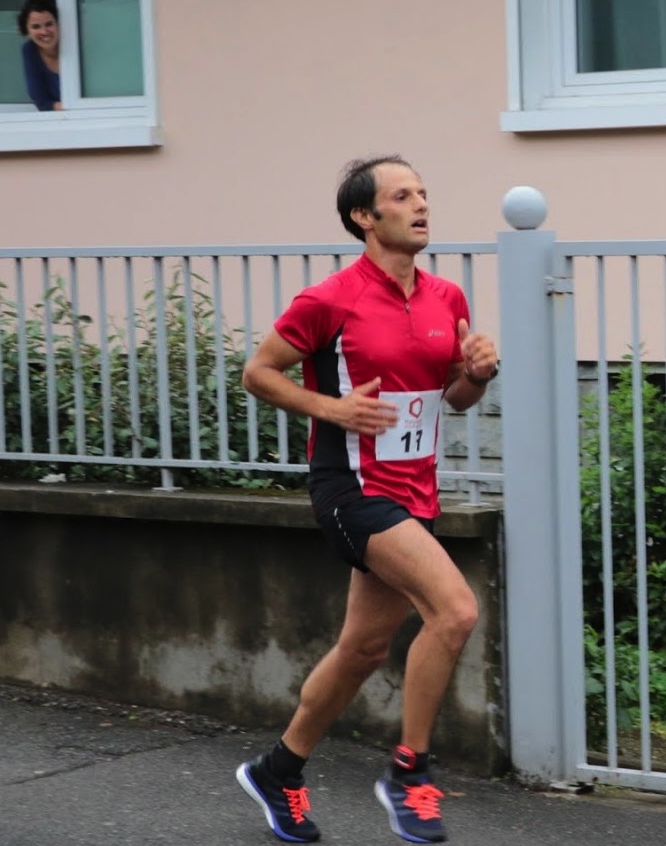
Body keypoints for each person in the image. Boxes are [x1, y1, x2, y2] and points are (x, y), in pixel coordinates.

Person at [236, 155, 498, 844]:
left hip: (416, 489)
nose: (421, 205)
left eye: (424, 194)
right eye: (402, 195)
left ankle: (278, 769)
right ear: (364, 216)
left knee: (363, 647)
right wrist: (333, 408)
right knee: (455, 609)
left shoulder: (447, 299)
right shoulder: (330, 300)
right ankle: (410, 773)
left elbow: (453, 397)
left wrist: (477, 376)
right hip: (351, 488)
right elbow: (258, 373)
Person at [18, 0, 61, 111]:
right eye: (36, 27)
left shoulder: (75, 46)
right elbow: (42, 102)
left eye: (49, 24)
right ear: (27, 31)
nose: (44, 32)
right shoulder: (30, 50)